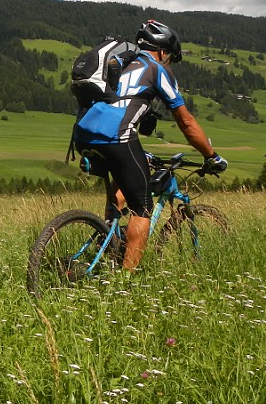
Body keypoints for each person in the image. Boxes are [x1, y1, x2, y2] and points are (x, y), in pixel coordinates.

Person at [73, 20, 227, 270]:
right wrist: (211, 156)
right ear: (164, 52)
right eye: (170, 58)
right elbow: (186, 122)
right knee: (142, 207)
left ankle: (110, 239)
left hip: (82, 134)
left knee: (125, 175)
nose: (169, 63)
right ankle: (126, 279)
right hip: (116, 135)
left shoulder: (118, 64)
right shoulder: (156, 69)